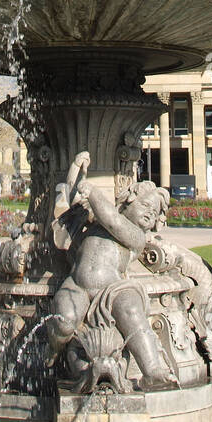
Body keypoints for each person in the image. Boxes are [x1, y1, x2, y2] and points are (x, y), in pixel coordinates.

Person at [47, 152, 176, 389]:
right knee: (64, 321)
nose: (149, 213)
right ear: (127, 201)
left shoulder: (136, 236)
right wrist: (76, 166)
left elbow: (112, 221)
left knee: (131, 314)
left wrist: (93, 191)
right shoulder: (97, 219)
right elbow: (73, 194)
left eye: (154, 213)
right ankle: (52, 352)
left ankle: (152, 370)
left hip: (113, 290)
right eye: (146, 205)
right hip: (76, 285)